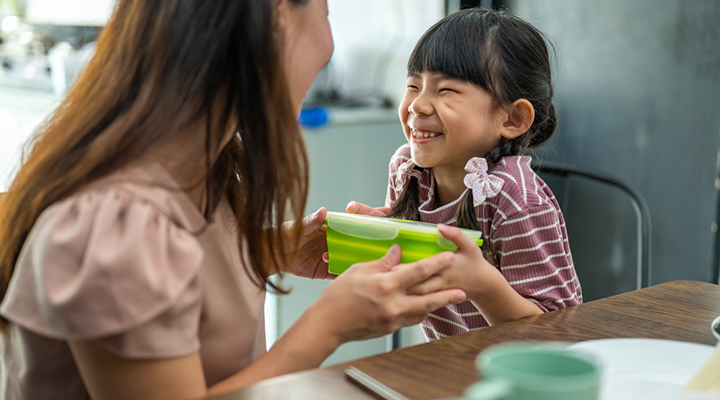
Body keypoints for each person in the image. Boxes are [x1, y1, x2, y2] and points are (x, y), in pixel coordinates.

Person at [0, 1, 468, 399]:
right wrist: (329, 326)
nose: (327, 46)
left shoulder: (208, 165)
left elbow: (176, 278)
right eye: (325, 12)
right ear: (277, 18)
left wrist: (267, 250)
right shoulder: (114, 221)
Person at [347, 8, 582, 341]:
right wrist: (380, 241)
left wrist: (480, 283)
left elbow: (560, 333)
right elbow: (410, 289)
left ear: (513, 118)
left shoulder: (516, 198)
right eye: (413, 86)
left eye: (445, 91)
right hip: (450, 367)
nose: (417, 105)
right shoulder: (407, 171)